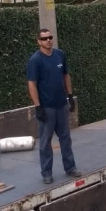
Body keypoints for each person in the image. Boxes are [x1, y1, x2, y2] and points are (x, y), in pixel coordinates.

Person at [26, 28, 82, 183]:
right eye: (44, 38)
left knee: (66, 138)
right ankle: (46, 173)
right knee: (45, 142)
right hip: (47, 107)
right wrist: (38, 106)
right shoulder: (35, 60)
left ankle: (70, 168)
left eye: (50, 37)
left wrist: (70, 96)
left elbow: (66, 75)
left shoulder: (60, 55)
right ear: (39, 41)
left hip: (61, 105)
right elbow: (32, 84)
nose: (48, 40)